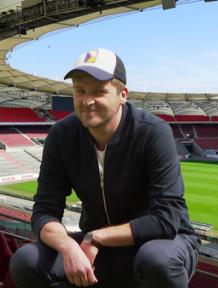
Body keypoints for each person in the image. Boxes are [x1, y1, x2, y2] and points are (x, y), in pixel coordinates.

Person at [9, 48, 199, 287]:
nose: (87, 101)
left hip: (162, 241)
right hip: (97, 247)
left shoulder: (153, 132)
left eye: (99, 91)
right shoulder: (61, 135)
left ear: (123, 95)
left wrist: (95, 237)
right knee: (26, 262)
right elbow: (44, 211)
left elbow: (165, 220)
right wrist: (68, 246)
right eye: (80, 91)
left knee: (157, 260)